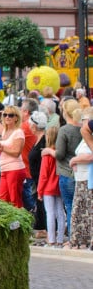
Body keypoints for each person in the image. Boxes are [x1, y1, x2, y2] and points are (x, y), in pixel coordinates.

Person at [54, 100, 83, 240]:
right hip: (82, 172)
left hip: (66, 171)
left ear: (65, 112)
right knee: (82, 207)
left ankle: (73, 238)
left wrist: (48, 151)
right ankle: (82, 236)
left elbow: (59, 154)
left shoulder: (64, 130)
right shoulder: (83, 128)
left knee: (70, 207)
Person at [67, 111, 93, 249]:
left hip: (85, 176)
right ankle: (81, 241)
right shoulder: (87, 131)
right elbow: (85, 129)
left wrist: (75, 160)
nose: (83, 121)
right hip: (84, 178)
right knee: (83, 211)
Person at [0, 105, 25, 207]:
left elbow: (16, 152)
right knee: (3, 199)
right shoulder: (5, 131)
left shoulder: (18, 132)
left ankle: (19, 222)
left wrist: (1, 147)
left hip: (14, 169)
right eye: (5, 115)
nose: (7, 117)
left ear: (16, 118)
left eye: (10, 115)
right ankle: (9, 222)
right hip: (4, 168)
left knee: (14, 199)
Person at [38, 126, 66, 247]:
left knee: (50, 213)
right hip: (59, 186)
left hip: (48, 188)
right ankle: (60, 239)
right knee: (60, 212)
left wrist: (40, 190)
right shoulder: (60, 154)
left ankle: (51, 239)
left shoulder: (46, 154)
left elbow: (43, 175)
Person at [28, 110, 48, 240]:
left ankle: (45, 228)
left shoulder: (43, 141)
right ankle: (41, 227)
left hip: (41, 177)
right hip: (36, 177)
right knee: (39, 202)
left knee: (43, 203)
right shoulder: (38, 140)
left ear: (34, 126)